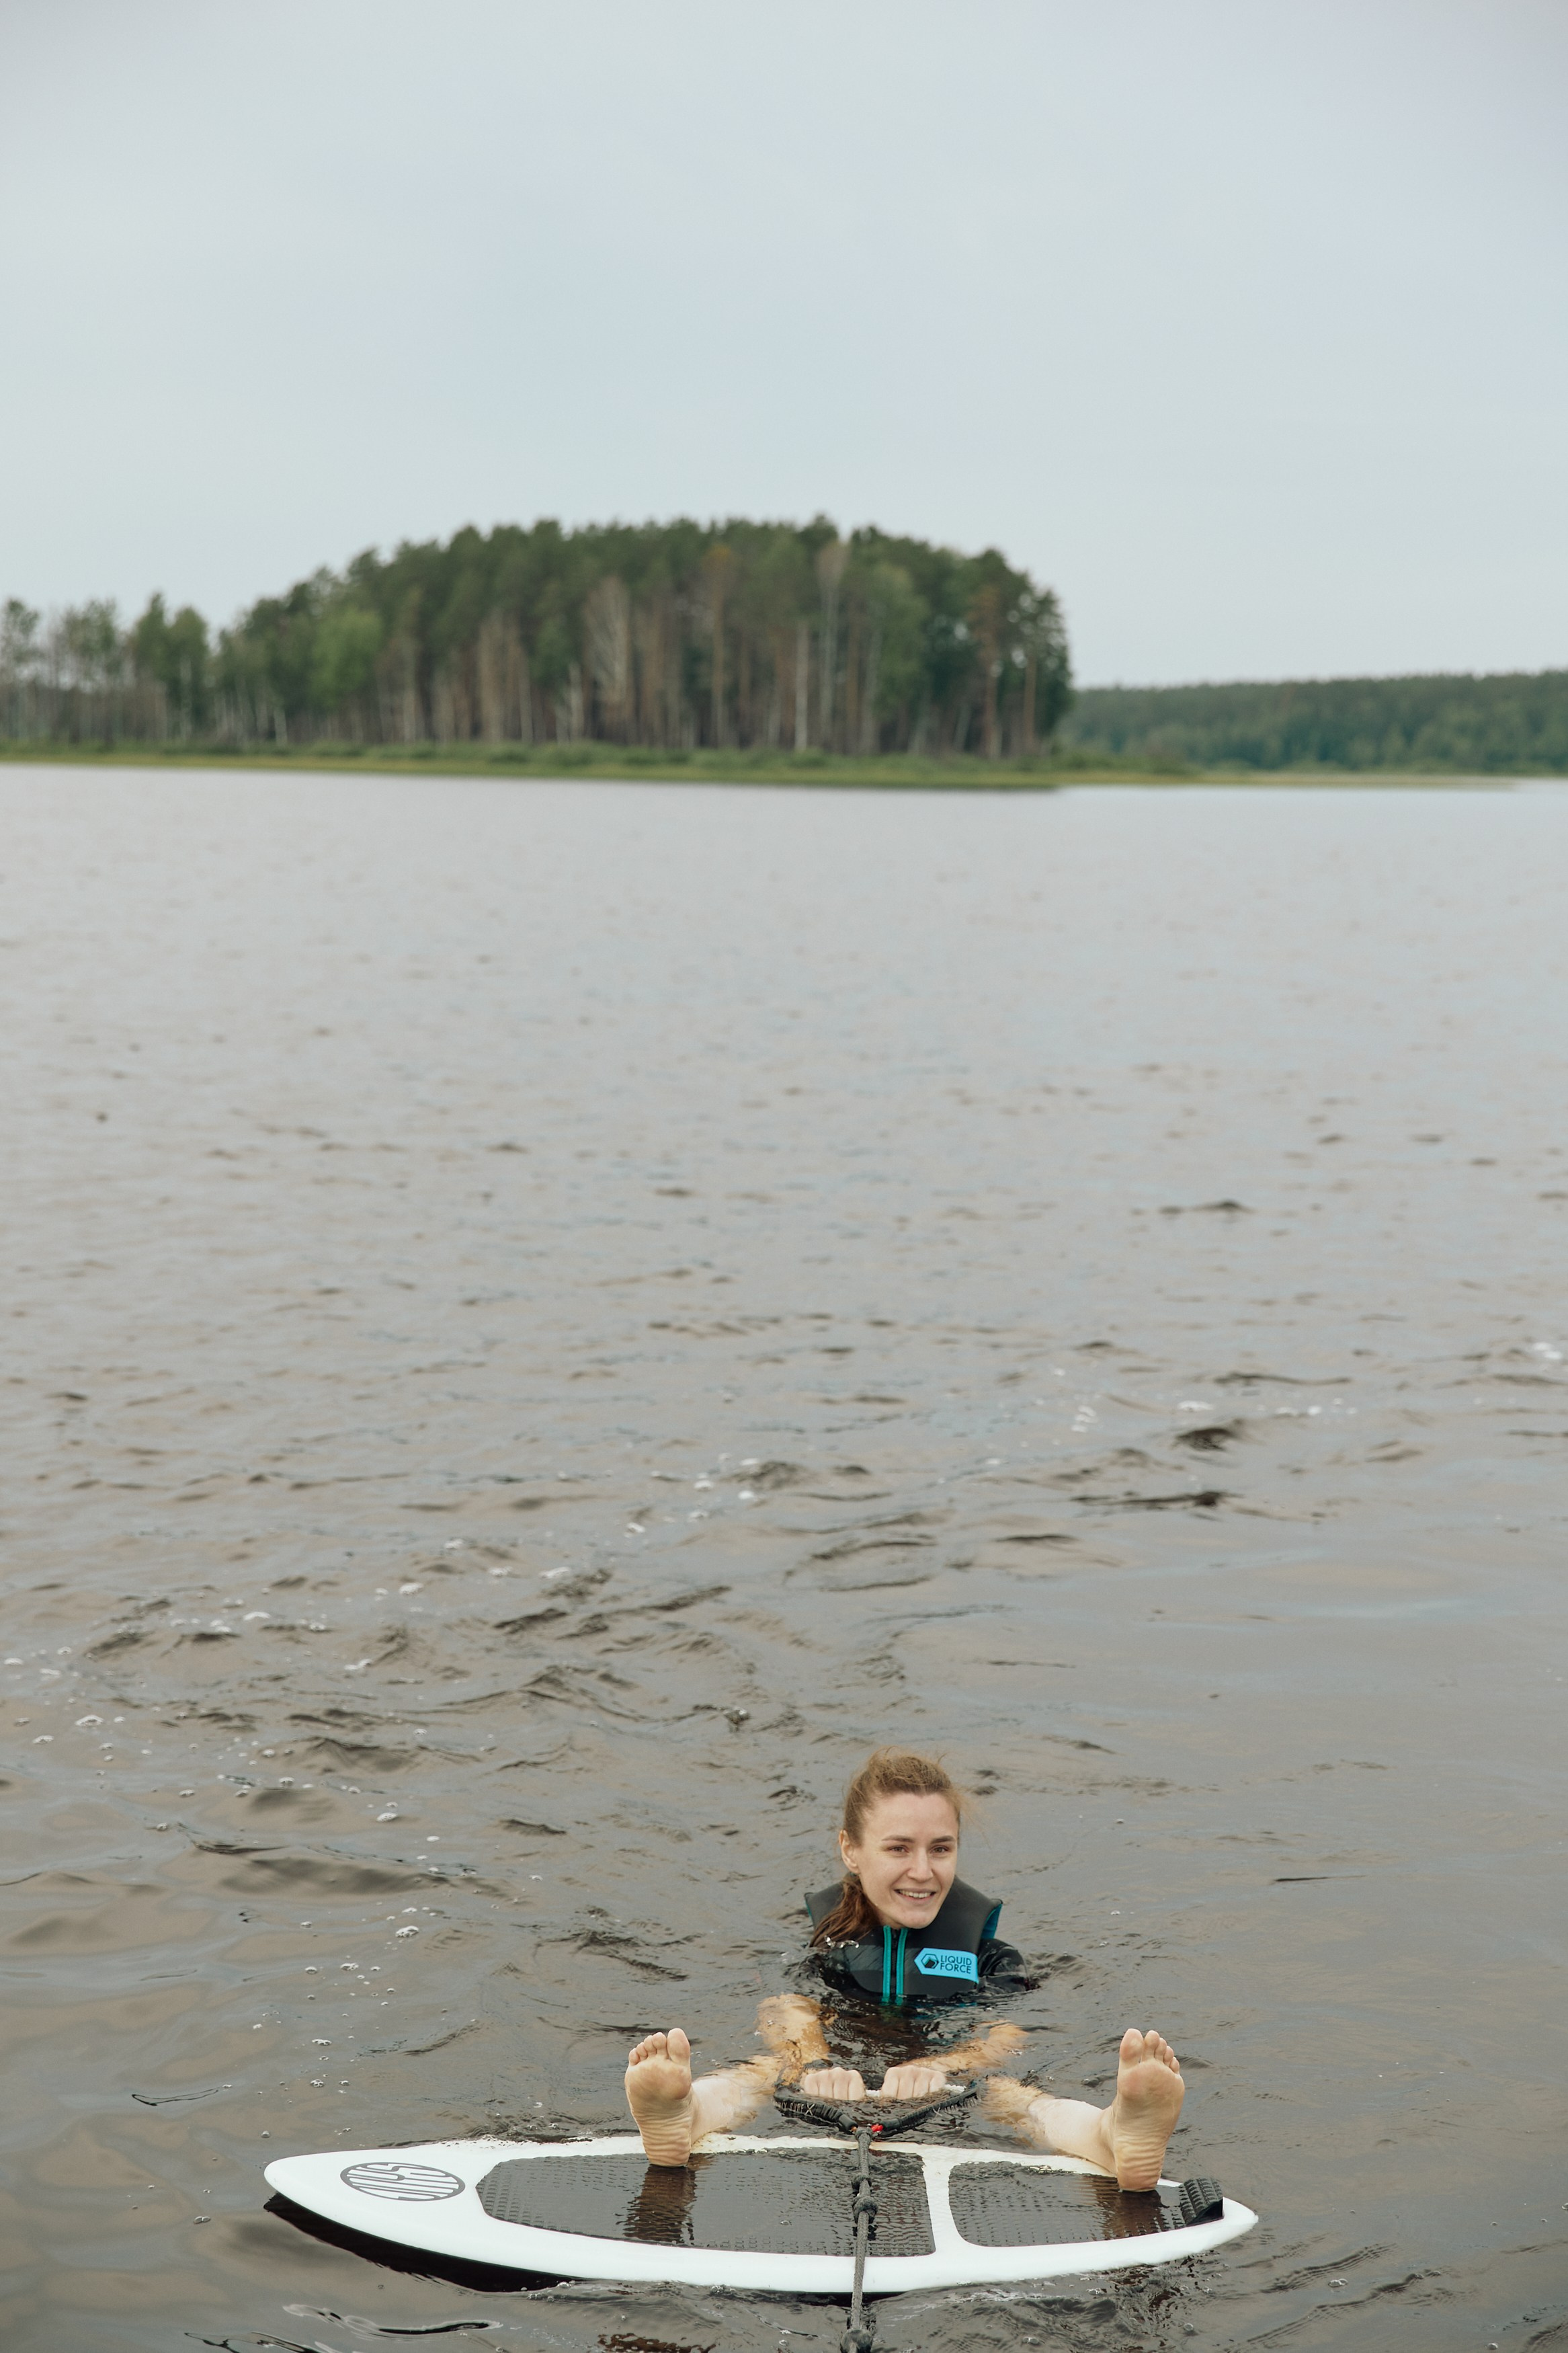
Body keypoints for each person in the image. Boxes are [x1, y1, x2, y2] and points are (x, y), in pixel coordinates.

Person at [624, 1746, 1187, 2189]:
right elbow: (788, 2008)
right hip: (833, 2069)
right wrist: (816, 2064)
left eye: (940, 1849)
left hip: (941, 2074)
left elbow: (1003, 2033)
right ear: (851, 1850)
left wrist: (942, 2067)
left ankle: (1111, 2133)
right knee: (764, 2070)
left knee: (1003, 2091)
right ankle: (686, 2114)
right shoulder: (824, 1943)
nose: (922, 1871)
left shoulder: (990, 1956)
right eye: (898, 1849)